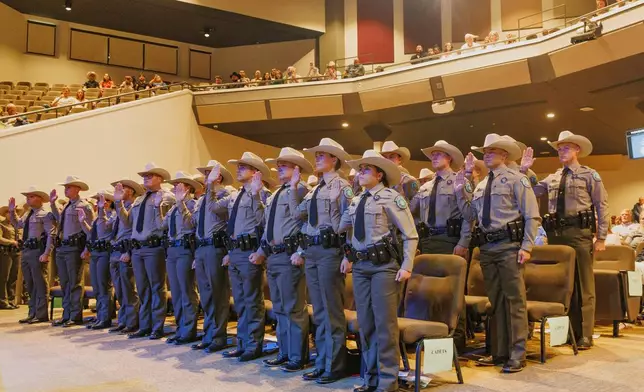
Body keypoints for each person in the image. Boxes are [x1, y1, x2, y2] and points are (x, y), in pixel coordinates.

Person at [455, 133, 540, 373]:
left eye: (492, 151)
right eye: (485, 151)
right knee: (497, 302)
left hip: (509, 246)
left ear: (504, 154)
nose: (487, 154)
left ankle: (518, 352)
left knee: (515, 301)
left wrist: (526, 246)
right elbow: (471, 215)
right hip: (488, 248)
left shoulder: (516, 179)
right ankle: (500, 351)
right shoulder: (481, 184)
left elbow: (532, 215)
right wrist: (463, 187)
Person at [338, 149, 418, 392]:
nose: (360, 173)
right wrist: (347, 256)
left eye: (365, 170)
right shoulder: (356, 200)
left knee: (385, 324)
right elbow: (345, 229)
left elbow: (410, 234)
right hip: (361, 266)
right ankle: (370, 377)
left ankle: (387, 381)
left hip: (384, 267)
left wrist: (407, 265)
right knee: (367, 323)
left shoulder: (391, 198)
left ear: (379, 174)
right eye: (359, 169)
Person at [523, 130, 609, 351]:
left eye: (566, 148)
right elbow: (531, 189)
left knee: (583, 284)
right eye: (559, 148)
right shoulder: (553, 177)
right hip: (555, 234)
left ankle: (585, 334)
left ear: (577, 150)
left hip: (578, 233)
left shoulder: (590, 175)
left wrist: (601, 236)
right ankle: (567, 331)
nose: (562, 151)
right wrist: (525, 170)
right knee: (560, 283)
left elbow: (602, 205)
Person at [293, 138, 354, 384]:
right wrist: (296, 188)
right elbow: (299, 216)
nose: (316, 159)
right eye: (316, 155)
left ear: (334, 160)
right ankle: (322, 361)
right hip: (313, 250)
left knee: (332, 311)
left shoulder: (343, 186)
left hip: (331, 252)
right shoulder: (314, 189)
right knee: (318, 311)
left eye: (321, 156)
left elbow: (351, 223)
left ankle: (336, 364)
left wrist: (349, 255)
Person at [250, 148, 312, 371]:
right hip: (274, 255)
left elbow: (307, 222)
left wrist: (302, 251)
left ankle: (298, 355)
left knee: (293, 307)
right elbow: (263, 223)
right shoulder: (275, 193)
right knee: (279, 308)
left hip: (290, 254)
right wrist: (257, 195)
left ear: (297, 169)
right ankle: (285, 352)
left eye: (283, 165)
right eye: (278, 165)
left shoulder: (302, 189)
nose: (278, 169)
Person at [207, 152, 267, 362]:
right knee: (240, 302)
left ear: (255, 172)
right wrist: (210, 186)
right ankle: (242, 343)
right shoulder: (233, 195)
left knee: (252, 301)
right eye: (239, 166)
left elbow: (262, 222)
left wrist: (257, 195)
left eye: (243, 167)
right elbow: (213, 207)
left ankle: (254, 344)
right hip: (235, 251)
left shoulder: (262, 192)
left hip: (250, 251)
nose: (238, 169)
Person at [114, 163, 175, 340]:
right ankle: (145, 324)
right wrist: (118, 203)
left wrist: (158, 207)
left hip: (154, 247)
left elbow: (164, 224)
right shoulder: (139, 200)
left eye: (150, 175)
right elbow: (127, 223)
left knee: (156, 287)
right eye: (145, 175)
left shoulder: (167, 197)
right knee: (142, 288)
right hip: (138, 248)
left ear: (160, 178)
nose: (146, 177)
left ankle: (157, 326)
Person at [188, 160, 233, 353]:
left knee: (218, 294)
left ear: (218, 177)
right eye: (206, 174)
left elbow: (230, 223)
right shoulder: (200, 200)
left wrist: (230, 252)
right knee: (206, 295)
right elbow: (194, 224)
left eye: (209, 174)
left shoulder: (226, 195)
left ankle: (219, 336)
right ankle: (208, 334)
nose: (205, 178)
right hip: (201, 249)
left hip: (216, 248)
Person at [155, 172, 201, 345]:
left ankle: (189, 330)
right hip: (172, 250)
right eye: (174, 186)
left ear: (187, 187)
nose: (174, 188)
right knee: (176, 293)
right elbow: (161, 226)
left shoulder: (192, 204)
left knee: (187, 291)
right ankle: (181, 328)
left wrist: (182, 203)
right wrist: (156, 207)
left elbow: (191, 224)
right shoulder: (174, 207)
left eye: (178, 186)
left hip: (185, 250)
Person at [49, 176, 95, 327]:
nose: (66, 189)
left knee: (75, 282)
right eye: (65, 187)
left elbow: (91, 230)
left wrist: (87, 248)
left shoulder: (84, 206)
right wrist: (52, 203)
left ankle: (75, 316)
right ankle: (66, 314)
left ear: (77, 189)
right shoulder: (68, 206)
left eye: (69, 187)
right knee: (65, 283)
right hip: (62, 247)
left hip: (75, 248)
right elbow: (59, 219)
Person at [9, 187, 56, 323]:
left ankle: (41, 314)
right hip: (27, 250)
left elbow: (51, 234)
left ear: (39, 198)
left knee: (40, 283)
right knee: (29, 283)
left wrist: (47, 253)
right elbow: (17, 224)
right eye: (27, 197)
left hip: (38, 251)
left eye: (31, 196)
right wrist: (12, 211)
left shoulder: (46, 214)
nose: (27, 199)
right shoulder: (28, 214)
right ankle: (32, 312)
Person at [107, 178, 143, 334]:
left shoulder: (134, 207)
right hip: (115, 251)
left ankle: (132, 321)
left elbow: (129, 227)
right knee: (119, 289)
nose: (120, 191)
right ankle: (123, 320)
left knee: (128, 288)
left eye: (124, 189)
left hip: (125, 250)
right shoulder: (117, 209)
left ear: (131, 192)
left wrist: (128, 252)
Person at [77, 190, 116, 330]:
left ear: (110, 203)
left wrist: (100, 213)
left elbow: (104, 231)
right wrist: (83, 223)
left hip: (105, 252)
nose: (99, 204)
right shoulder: (97, 218)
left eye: (103, 201)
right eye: (99, 201)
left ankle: (105, 318)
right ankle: (100, 315)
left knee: (103, 285)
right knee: (97, 286)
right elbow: (91, 234)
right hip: (95, 252)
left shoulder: (112, 216)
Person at [0, 206, 22, 309]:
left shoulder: (16, 226)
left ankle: (11, 299)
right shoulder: (1, 224)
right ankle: (3, 301)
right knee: (4, 277)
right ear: (5, 214)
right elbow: (0, 239)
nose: (11, 214)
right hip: (5, 253)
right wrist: (12, 242)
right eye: (9, 212)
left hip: (15, 252)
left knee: (13, 276)